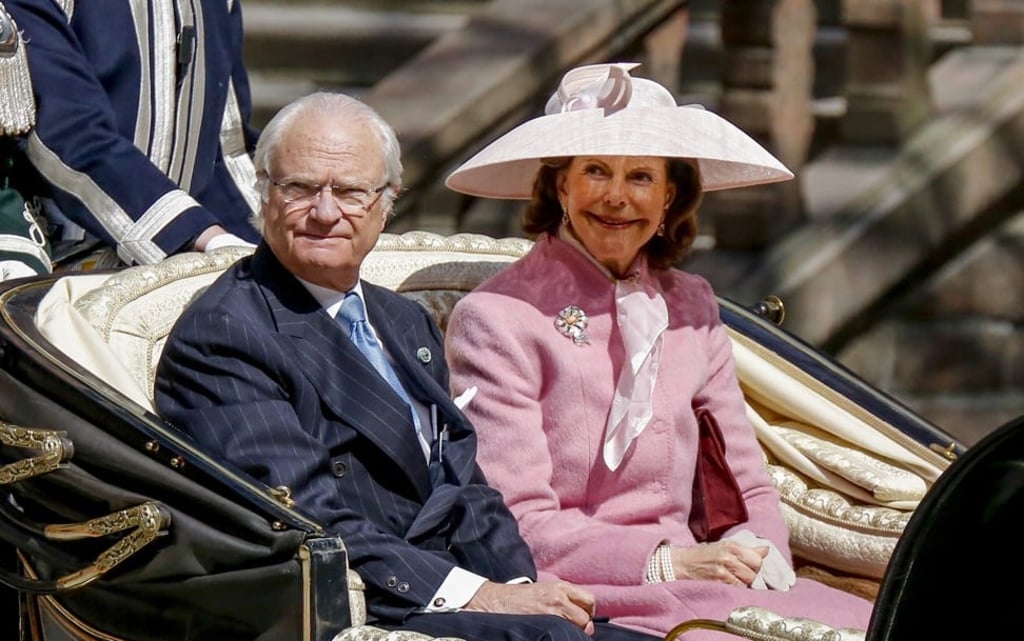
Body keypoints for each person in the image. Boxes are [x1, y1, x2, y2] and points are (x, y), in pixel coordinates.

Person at [154, 90, 660, 641]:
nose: (325, 213)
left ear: (387, 203)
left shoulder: (400, 319)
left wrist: (517, 585)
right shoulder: (229, 331)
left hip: (455, 589)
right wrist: (486, 597)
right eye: (299, 188)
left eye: (349, 192)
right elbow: (302, 519)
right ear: (265, 195)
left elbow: (465, 484)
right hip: (364, 602)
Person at [442, 63, 875, 640]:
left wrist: (761, 555)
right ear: (561, 186)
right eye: (596, 171)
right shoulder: (496, 318)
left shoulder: (692, 306)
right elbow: (517, 521)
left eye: (641, 177)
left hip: (707, 580)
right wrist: (669, 560)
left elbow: (746, 481)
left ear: (670, 196)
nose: (617, 198)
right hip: (582, 593)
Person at [1, 0, 260, 279]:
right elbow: (67, 132)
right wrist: (195, 232)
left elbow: (228, 151)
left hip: (182, 256)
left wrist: (266, 244)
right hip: (45, 254)